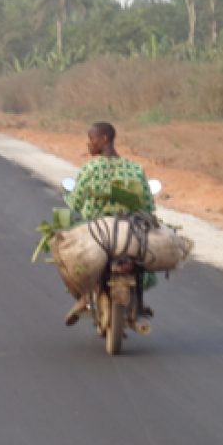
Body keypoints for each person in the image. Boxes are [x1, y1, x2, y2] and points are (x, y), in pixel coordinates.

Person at [63, 121, 157, 325]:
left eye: (92, 139)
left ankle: (84, 298)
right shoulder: (135, 169)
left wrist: (68, 197)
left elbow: (77, 203)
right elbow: (148, 205)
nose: (89, 144)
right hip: (129, 233)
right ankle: (138, 300)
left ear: (104, 139)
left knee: (69, 259)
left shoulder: (90, 169)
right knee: (142, 265)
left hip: (96, 234)